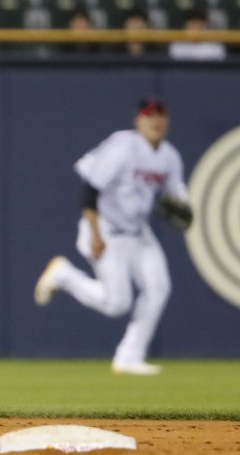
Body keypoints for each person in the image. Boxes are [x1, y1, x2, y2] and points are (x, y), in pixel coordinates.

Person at [34, 97, 192, 376]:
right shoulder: (122, 147)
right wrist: (95, 234)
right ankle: (64, 275)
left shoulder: (169, 156)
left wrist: (184, 205)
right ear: (138, 120)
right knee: (117, 304)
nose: (156, 120)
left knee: (159, 288)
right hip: (105, 227)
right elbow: (90, 191)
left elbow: (176, 196)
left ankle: (129, 357)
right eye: (149, 115)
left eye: (161, 115)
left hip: (138, 231)